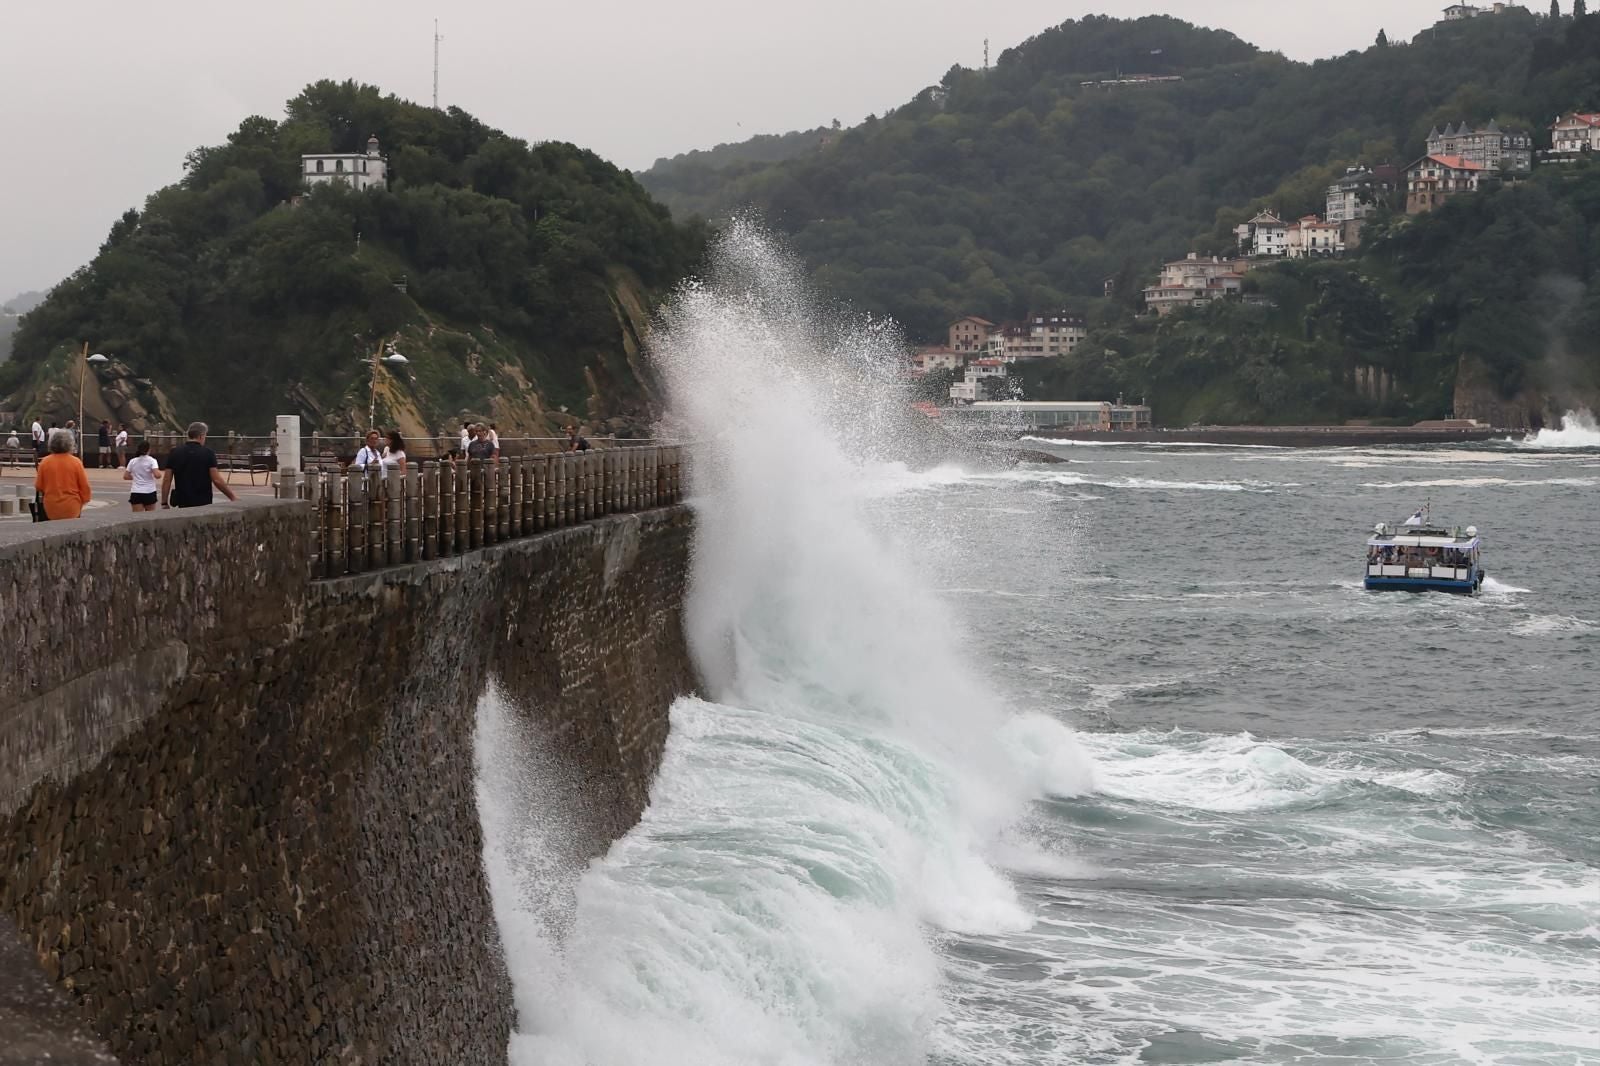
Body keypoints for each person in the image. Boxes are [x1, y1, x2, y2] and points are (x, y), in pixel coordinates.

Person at [160, 421, 238, 509]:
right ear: (201, 436)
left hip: (182, 501)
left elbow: (167, 479)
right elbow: (216, 480)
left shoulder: (174, 452)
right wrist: (232, 497)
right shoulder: (208, 453)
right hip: (203, 501)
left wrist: (164, 502)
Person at [34, 428, 92, 519]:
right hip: (72, 506)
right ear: (70, 444)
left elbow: (39, 486)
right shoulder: (76, 462)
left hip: (51, 507)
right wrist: (83, 501)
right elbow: (85, 487)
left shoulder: (45, 462)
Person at [123, 440, 160, 511]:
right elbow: (157, 475)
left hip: (136, 491)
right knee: (150, 517)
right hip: (149, 491)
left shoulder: (132, 461)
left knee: (137, 517)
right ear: (149, 449)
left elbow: (126, 476)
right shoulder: (152, 460)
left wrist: (135, 477)